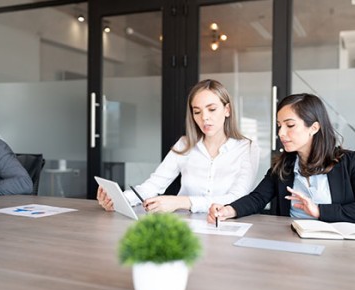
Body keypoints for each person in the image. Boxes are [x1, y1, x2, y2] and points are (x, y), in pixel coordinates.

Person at [208, 93, 355, 224]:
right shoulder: (283, 166)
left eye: (290, 125)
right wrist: (228, 210)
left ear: (314, 128)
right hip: (291, 245)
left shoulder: (350, 161)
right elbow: (257, 198)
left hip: (339, 249)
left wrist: (319, 211)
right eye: (279, 126)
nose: (281, 133)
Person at [97, 79, 260, 213]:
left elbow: (238, 198)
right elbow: (153, 186)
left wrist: (182, 202)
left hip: (226, 226)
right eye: (197, 112)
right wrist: (118, 200)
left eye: (211, 109)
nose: (204, 117)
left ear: (227, 110)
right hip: (186, 227)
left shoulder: (247, 148)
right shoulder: (184, 144)